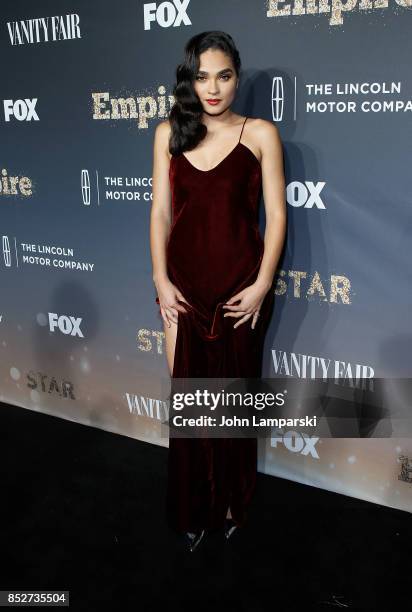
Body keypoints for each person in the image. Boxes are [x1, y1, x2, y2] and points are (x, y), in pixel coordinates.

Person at [150, 31, 286, 552]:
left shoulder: (260, 135)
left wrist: (261, 285)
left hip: (239, 293)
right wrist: (162, 281)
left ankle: (231, 502)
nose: (213, 88)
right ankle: (193, 508)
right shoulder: (169, 134)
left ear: (237, 77)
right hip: (182, 291)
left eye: (224, 76)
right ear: (189, 79)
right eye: (202, 76)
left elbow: (276, 217)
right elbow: (160, 212)